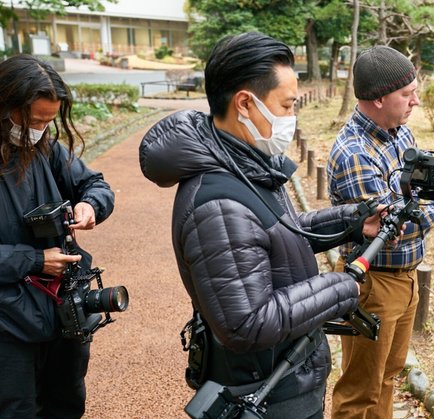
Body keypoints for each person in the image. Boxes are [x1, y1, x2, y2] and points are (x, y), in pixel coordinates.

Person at [139, 32, 386, 418]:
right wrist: (340, 287)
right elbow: (248, 322)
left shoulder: (241, 161)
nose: (292, 117)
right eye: (287, 105)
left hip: (283, 376)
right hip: (265, 391)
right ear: (245, 104)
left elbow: (276, 231)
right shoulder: (217, 204)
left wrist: (353, 221)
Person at [328, 45, 434, 418]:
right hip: (374, 283)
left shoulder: (400, 135)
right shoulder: (355, 153)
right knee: (359, 390)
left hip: (406, 279)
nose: (416, 101)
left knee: (387, 377)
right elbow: (398, 227)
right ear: (378, 99)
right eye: (406, 94)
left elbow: (420, 190)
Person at [0, 55, 115, 418]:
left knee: (67, 403)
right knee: (16, 409)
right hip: (8, 321)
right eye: (35, 121)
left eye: (50, 121)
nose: (41, 129)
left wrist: (91, 205)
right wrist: (35, 260)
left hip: (62, 308)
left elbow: (94, 183)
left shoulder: (45, 145)